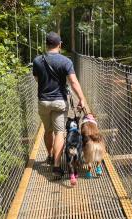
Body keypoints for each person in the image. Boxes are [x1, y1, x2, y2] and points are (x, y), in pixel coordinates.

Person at [33, 31, 85, 177]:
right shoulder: (66, 61)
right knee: (60, 133)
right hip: (60, 101)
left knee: (47, 130)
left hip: (43, 101)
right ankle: (56, 166)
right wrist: (81, 98)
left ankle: (49, 155)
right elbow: (73, 82)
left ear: (46, 44)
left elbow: (37, 79)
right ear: (60, 44)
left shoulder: (37, 60)